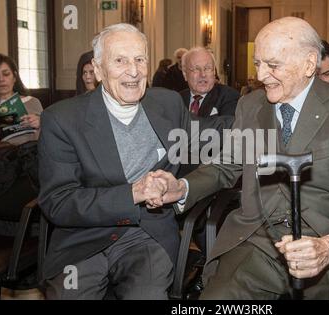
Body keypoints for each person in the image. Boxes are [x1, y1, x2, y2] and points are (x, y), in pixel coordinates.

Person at [152, 17, 329, 300]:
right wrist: (182, 188)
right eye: (258, 64)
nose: (262, 75)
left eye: (273, 65)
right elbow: (225, 165)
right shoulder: (252, 105)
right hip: (257, 242)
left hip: (325, 250)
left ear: (308, 63)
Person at [37, 23, 232, 300]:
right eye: (120, 60)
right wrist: (132, 193)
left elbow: (212, 132)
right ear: (99, 69)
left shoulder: (166, 104)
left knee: (147, 295)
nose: (133, 70)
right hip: (83, 240)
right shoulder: (62, 119)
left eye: (140, 59)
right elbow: (59, 201)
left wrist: (270, 114)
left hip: (147, 234)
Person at [178, 46, 239, 177]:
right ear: (184, 74)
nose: (203, 74)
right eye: (196, 69)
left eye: (208, 68)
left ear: (214, 72)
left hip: (211, 173)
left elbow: (221, 136)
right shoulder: (176, 100)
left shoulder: (229, 96)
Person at [0, 53, 42, 146]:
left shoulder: (32, 102)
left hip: (30, 155)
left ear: (14, 76)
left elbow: (49, 134)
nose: (1, 79)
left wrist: (41, 123)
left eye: (6, 74)